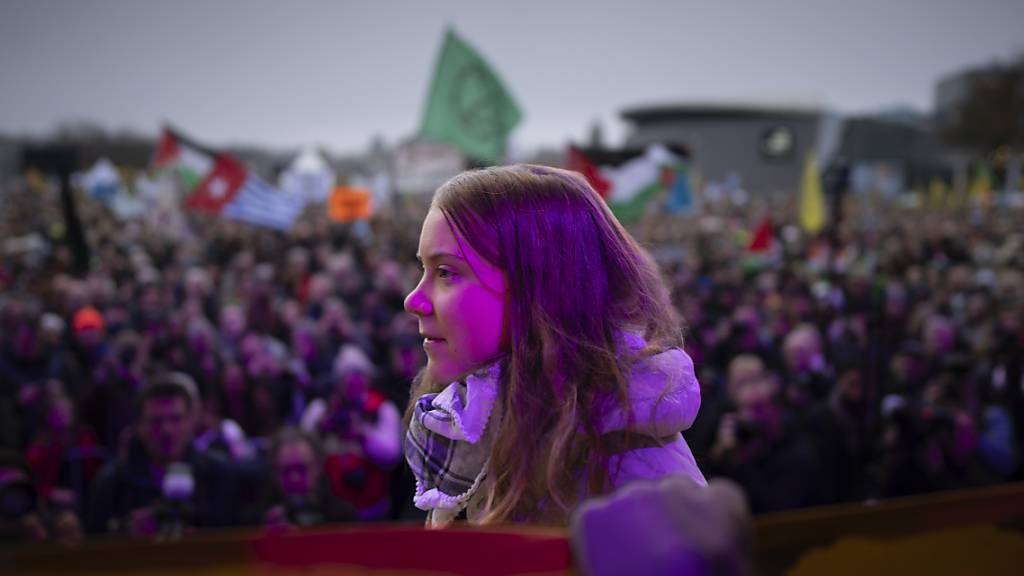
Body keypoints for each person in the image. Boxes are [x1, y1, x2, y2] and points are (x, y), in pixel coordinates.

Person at [402, 165, 705, 526]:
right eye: (423, 268)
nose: (414, 300)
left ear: (540, 290)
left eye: (446, 272)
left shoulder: (633, 473)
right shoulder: (475, 425)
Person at [87, 373, 239, 536]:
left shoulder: (218, 475)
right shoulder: (113, 483)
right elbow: (94, 542)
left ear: (191, 421)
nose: (167, 430)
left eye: (176, 419)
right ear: (139, 426)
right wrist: (125, 533)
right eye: (156, 421)